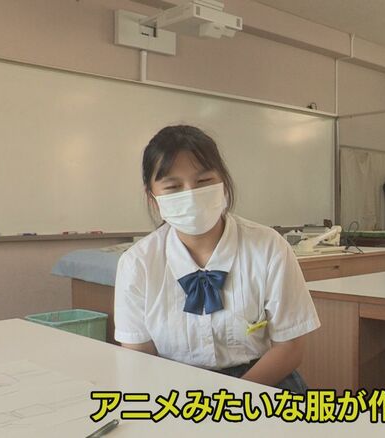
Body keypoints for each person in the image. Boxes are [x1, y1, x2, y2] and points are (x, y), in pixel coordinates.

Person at [114, 125, 320, 393]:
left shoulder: (269, 247)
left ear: (223, 183)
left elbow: (290, 347)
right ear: (153, 198)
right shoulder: (137, 264)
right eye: (173, 186)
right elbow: (139, 357)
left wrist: (229, 400)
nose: (190, 195)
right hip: (173, 388)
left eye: (203, 182)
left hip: (262, 381)